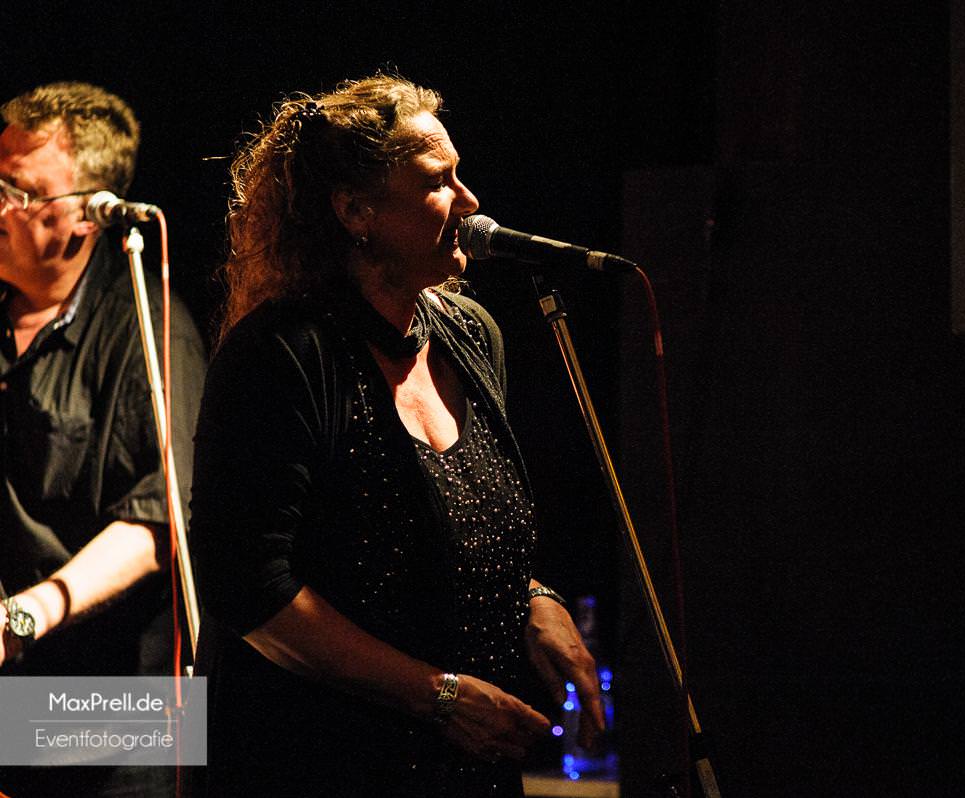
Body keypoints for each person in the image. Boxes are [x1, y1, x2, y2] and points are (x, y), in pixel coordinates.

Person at [188, 73, 604, 797]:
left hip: (464, 764)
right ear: (356, 210)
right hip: (317, 761)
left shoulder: (470, 335)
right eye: (439, 181)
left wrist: (535, 597)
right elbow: (247, 585)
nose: (469, 202)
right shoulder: (282, 354)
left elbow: (460, 527)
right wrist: (438, 696)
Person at [0, 82, 207, 795]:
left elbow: (164, 515)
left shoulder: (151, 327)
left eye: (19, 191)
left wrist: (24, 615)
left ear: (85, 216)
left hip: (117, 706)